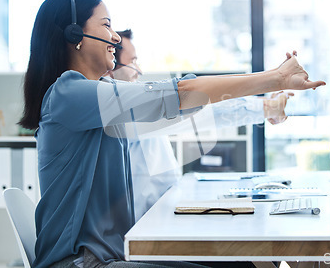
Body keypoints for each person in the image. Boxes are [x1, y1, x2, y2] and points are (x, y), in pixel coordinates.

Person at [19, 0, 325, 268]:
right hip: (84, 263)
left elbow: (188, 112)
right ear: (76, 36)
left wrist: (264, 104)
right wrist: (275, 78)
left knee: (242, 263)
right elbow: (181, 94)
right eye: (106, 25)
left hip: (114, 254)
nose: (114, 37)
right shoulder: (69, 94)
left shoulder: (101, 95)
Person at [108, 29, 293, 221]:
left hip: (161, 214)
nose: (139, 71)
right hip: (144, 226)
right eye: (132, 62)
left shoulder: (130, 108)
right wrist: (265, 108)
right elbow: (198, 112)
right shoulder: (124, 113)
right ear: (110, 68)